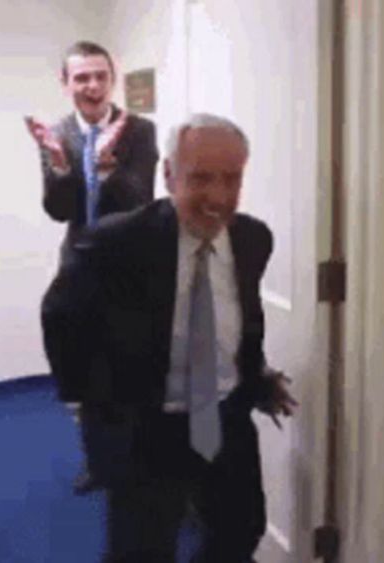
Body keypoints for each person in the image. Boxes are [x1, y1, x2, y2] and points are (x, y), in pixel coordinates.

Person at [42, 113, 297, 562]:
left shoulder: (254, 238)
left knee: (241, 529)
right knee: (142, 552)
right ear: (168, 175)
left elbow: (240, 318)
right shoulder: (116, 242)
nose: (218, 197)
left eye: (231, 179)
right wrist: (91, 406)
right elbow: (60, 317)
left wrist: (255, 378)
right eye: (201, 178)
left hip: (224, 417)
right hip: (146, 428)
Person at [24, 40, 158, 495]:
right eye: (82, 77)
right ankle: (98, 464)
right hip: (81, 265)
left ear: (112, 79)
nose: (93, 85)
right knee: (85, 369)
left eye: (101, 75)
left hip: (132, 267)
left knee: (135, 366)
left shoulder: (139, 130)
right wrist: (61, 168)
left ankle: (141, 460)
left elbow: (141, 200)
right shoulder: (57, 134)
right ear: (66, 84)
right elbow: (59, 211)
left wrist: (107, 171)